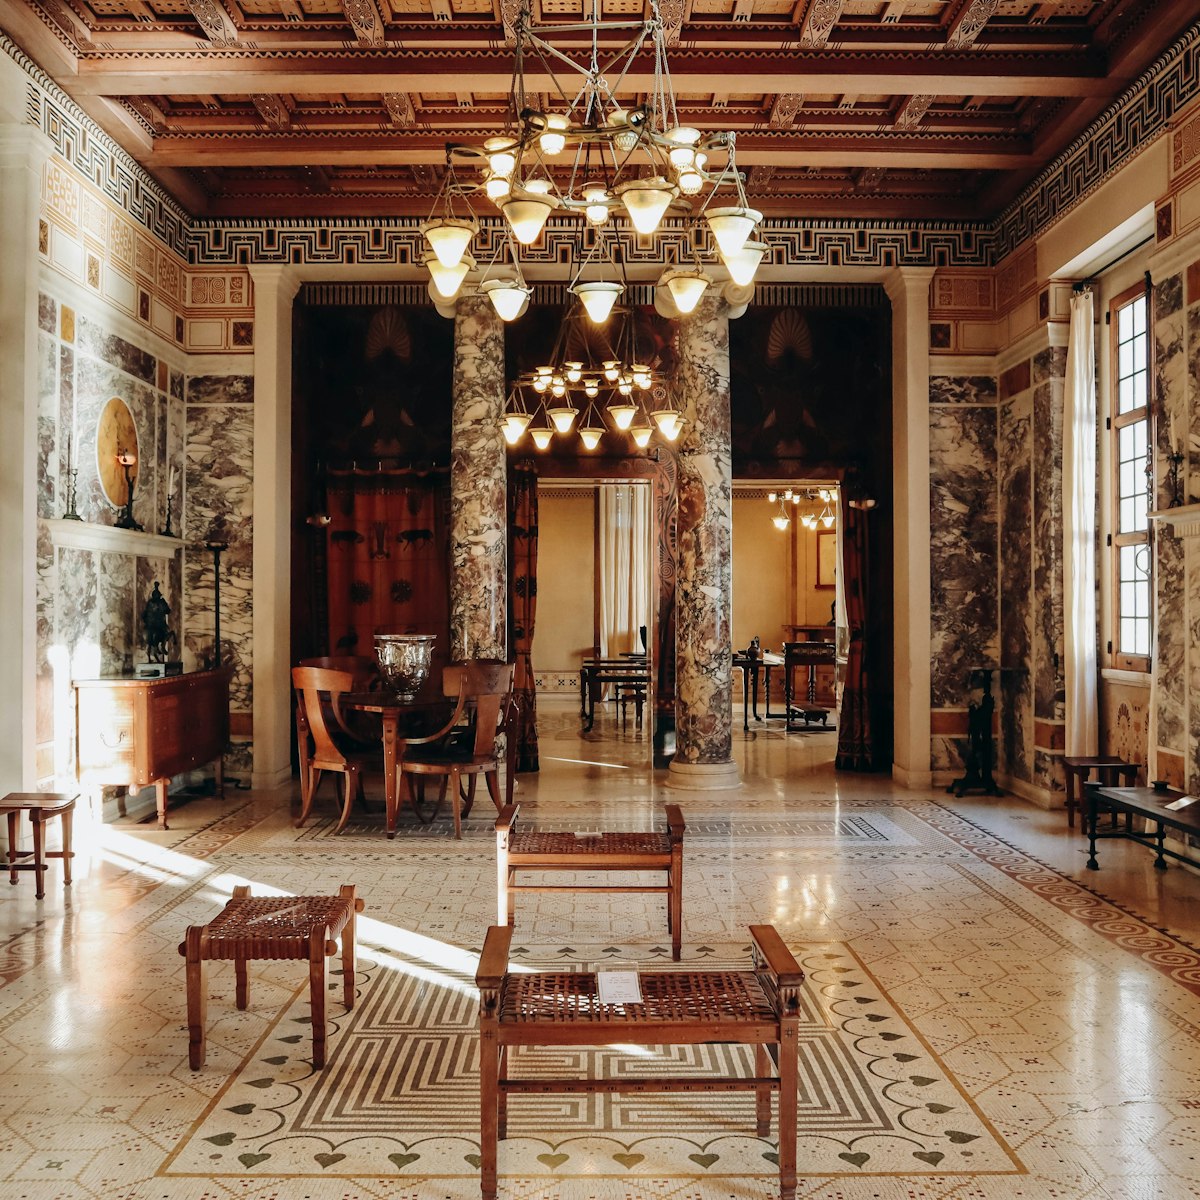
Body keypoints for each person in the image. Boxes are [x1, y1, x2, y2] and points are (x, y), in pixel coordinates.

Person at [142, 581, 175, 662]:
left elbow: (144, 613)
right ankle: (163, 647)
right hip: (159, 624)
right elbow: (168, 611)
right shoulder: (161, 601)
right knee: (165, 632)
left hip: (149, 625)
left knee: (149, 643)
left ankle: (149, 658)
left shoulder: (149, 602)